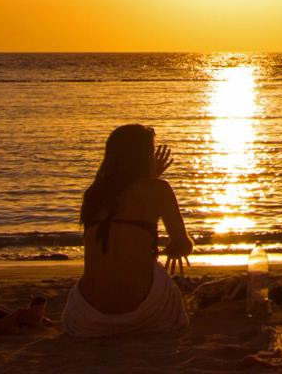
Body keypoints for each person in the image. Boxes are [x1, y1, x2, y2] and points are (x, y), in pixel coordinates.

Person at [62, 124, 194, 337]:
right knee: (171, 292)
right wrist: (174, 249)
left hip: (88, 318)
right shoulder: (158, 189)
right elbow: (183, 244)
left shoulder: (93, 194)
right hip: (141, 312)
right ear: (144, 157)